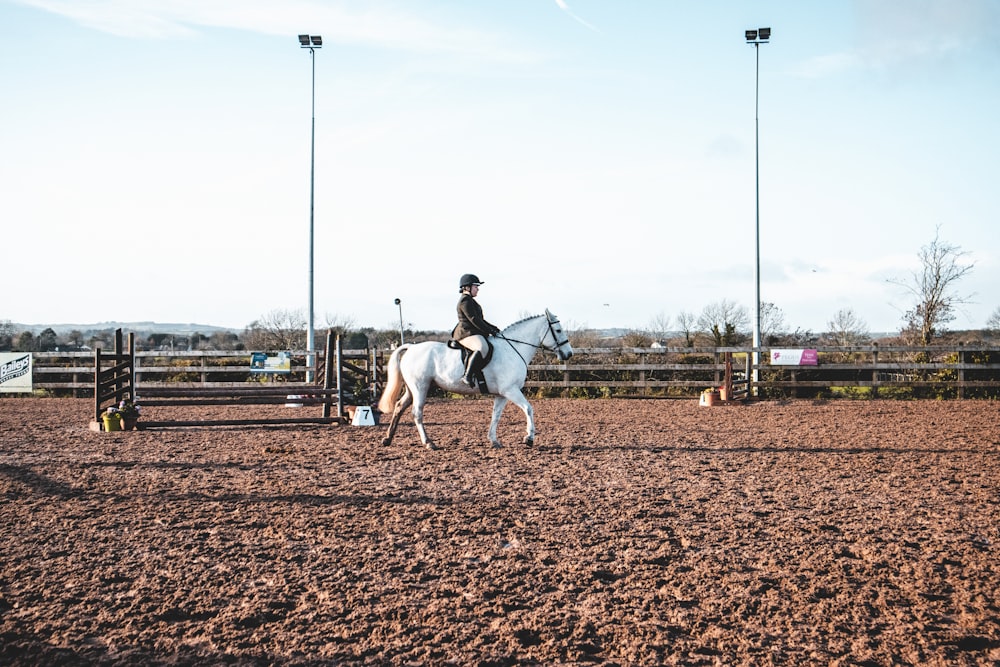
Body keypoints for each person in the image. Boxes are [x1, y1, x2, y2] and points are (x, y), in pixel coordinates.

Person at [452, 273, 501, 386]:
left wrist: (494, 328)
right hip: (466, 333)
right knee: (481, 347)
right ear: (467, 287)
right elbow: (474, 320)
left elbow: (480, 320)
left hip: (473, 332)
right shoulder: (465, 301)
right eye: (476, 286)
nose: (477, 289)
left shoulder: (470, 300)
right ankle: (467, 376)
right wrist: (489, 330)